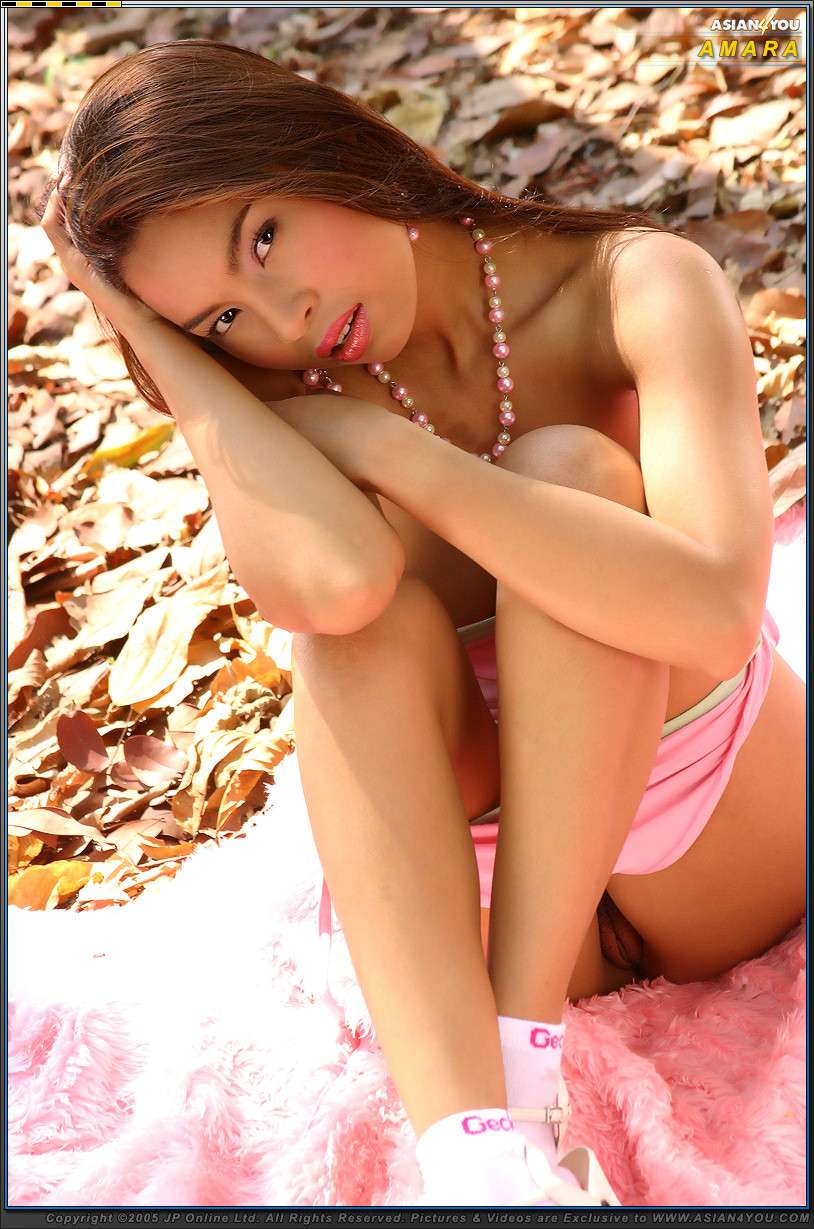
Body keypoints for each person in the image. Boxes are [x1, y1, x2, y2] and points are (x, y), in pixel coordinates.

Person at [38, 39, 805, 1208]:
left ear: (322, 147)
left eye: (264, 237)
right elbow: (334, 587)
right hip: (491, 884)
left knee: (568, 473)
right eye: (222, 318)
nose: (286, 316)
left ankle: (515, 1052)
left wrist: (400, 456)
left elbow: (711, 614)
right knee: (353, 636)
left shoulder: (631, 284)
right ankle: (482, 1156)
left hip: (712, 828)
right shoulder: (277, 388)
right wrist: (163, 356)